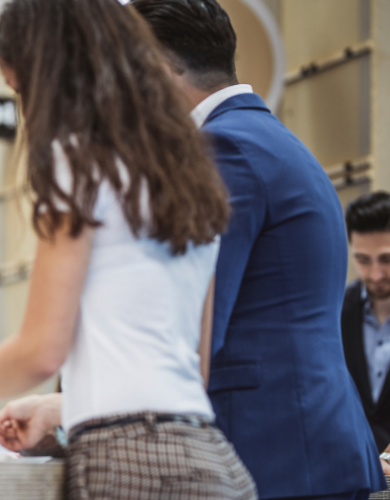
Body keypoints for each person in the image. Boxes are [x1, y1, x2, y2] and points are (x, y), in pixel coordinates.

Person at [0, 0, 255, 497]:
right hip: (208, 453)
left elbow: (41, 351)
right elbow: (187, 366)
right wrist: (64, 408)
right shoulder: (192, 175)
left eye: (21, 89)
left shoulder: (78, 164)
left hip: (128, 460)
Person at [126, 0, 386, 498]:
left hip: (276, 452)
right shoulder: (266, 138)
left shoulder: (224, 151)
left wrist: (78, 412)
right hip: (303, 447)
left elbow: (194, 323)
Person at [342, 192, 390, 464]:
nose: (375, 274)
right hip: (353, 474)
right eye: (362, 259)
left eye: (386, 259)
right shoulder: (335, 312)